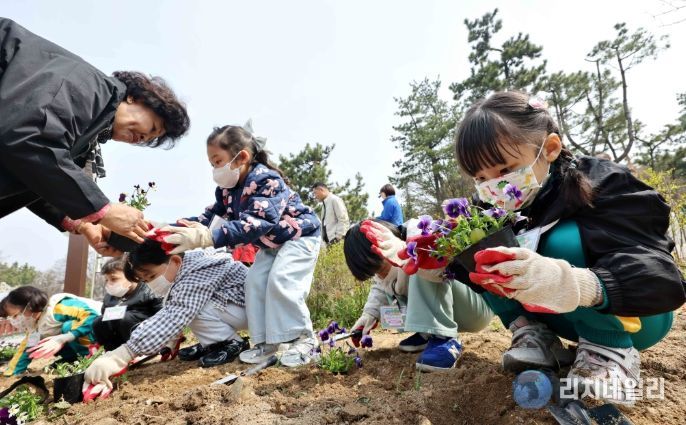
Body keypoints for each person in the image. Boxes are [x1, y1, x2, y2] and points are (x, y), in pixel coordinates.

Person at [451, 91, 685, 403]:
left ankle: (608, 351)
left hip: (635, 314)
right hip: (563, 318)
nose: (494, 185)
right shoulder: (492, 209)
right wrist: (434, 261)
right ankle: (534, 335)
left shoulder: (604, 183)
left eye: (505, 170)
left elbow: (659, 275)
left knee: (560, 240)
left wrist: (576, 282)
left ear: (550, 148)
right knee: (480, 247)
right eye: (481, 178)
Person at [0, 18, 190, 254]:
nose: (144, 137)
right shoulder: (90, 88)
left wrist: (85, 223)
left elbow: (35, 175)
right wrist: (103, 209)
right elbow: (29, 140)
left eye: (150, 140)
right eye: (152, 127)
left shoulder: (87, 134)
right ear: (136, 98)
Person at [161, 123, 322, 367]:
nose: (215, 169)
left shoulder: (267, 180)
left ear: (242, 157)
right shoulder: (227, 190)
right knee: (254, 283)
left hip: (299, 236)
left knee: (281, 280)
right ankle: (266, 343)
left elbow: (257, 222)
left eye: (218, 161)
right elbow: (211, 218)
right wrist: (171, 228)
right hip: (271, 245)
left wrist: (208, 237)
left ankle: (304, 339)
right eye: (212, 164)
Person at [83, 237, 249, 395]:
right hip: (237, 308)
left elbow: (177, 312)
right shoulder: (185, 268)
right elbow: (174, 308)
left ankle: (229, 343)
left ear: (175, 261)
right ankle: (213, 343)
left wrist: (121, 356)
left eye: (151, 276)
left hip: (249, 311)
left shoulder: (200, 270)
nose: (150, 283)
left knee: (195, 307)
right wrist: (171, 339)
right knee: (191, 305)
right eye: (145, 280)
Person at [345, 219, 493, 371]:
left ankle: (445, 339)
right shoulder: (382, 267)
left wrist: (406, 252)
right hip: (454, 310)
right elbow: (380, 287)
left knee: (419, 260)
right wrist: (369, 314)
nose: (380, 276)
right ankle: (428, 333)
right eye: (374, 273)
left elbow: (440, 268)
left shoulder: (418, 231)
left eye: (381, 269)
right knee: (406, 272)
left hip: (475, 307)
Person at [1, 286, 101, 376]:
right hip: (79, 341)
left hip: (100, 336)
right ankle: (71, 360)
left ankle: (87, 358)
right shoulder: (34, 325)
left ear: (29, 307)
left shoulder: (58, 307)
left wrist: (66, 337)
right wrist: (14, 371)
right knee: (48, 341)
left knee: (68, 327)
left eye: (16, 315)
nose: (14, 320)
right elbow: (28, 348)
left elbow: (92, 316)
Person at [92, 258, 163, 351]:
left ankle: (139, 350)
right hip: (119, 338)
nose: (109, 284)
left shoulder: (149, 291)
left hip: (146, 333)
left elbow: (162, 314)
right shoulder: (109, 297)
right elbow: (104, 319)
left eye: (114, 279)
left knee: (125, 318)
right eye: (106, 280)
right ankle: (110, 351)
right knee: (98, 321)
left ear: (132, 276)